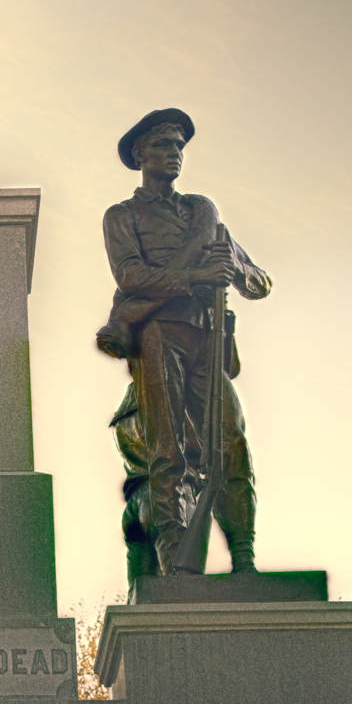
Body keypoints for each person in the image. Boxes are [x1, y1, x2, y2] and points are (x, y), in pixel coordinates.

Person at [97, 110, 271, 578]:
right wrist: (196, 275)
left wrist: (234, 272)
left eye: (179, 147)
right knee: (167, 449)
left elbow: (259, 280)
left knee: (230, 443)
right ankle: (177, 559)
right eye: (164, 146)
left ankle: (245, 556)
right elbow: (130, 275)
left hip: (209, 338)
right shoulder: (123, 216)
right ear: (141, 155)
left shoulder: (202, 214)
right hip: (158, 336)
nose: (175, 154)